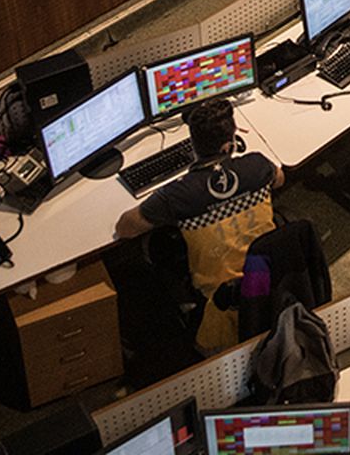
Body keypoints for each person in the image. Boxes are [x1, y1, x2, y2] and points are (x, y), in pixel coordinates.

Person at [114, 99, 283, 349]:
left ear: (193, 145)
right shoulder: (257, 165)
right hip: (267, 278)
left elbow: (125, 229)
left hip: (223, 298)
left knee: (156, 245)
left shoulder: (176, 195)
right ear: (229, 144)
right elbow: (279, 179)